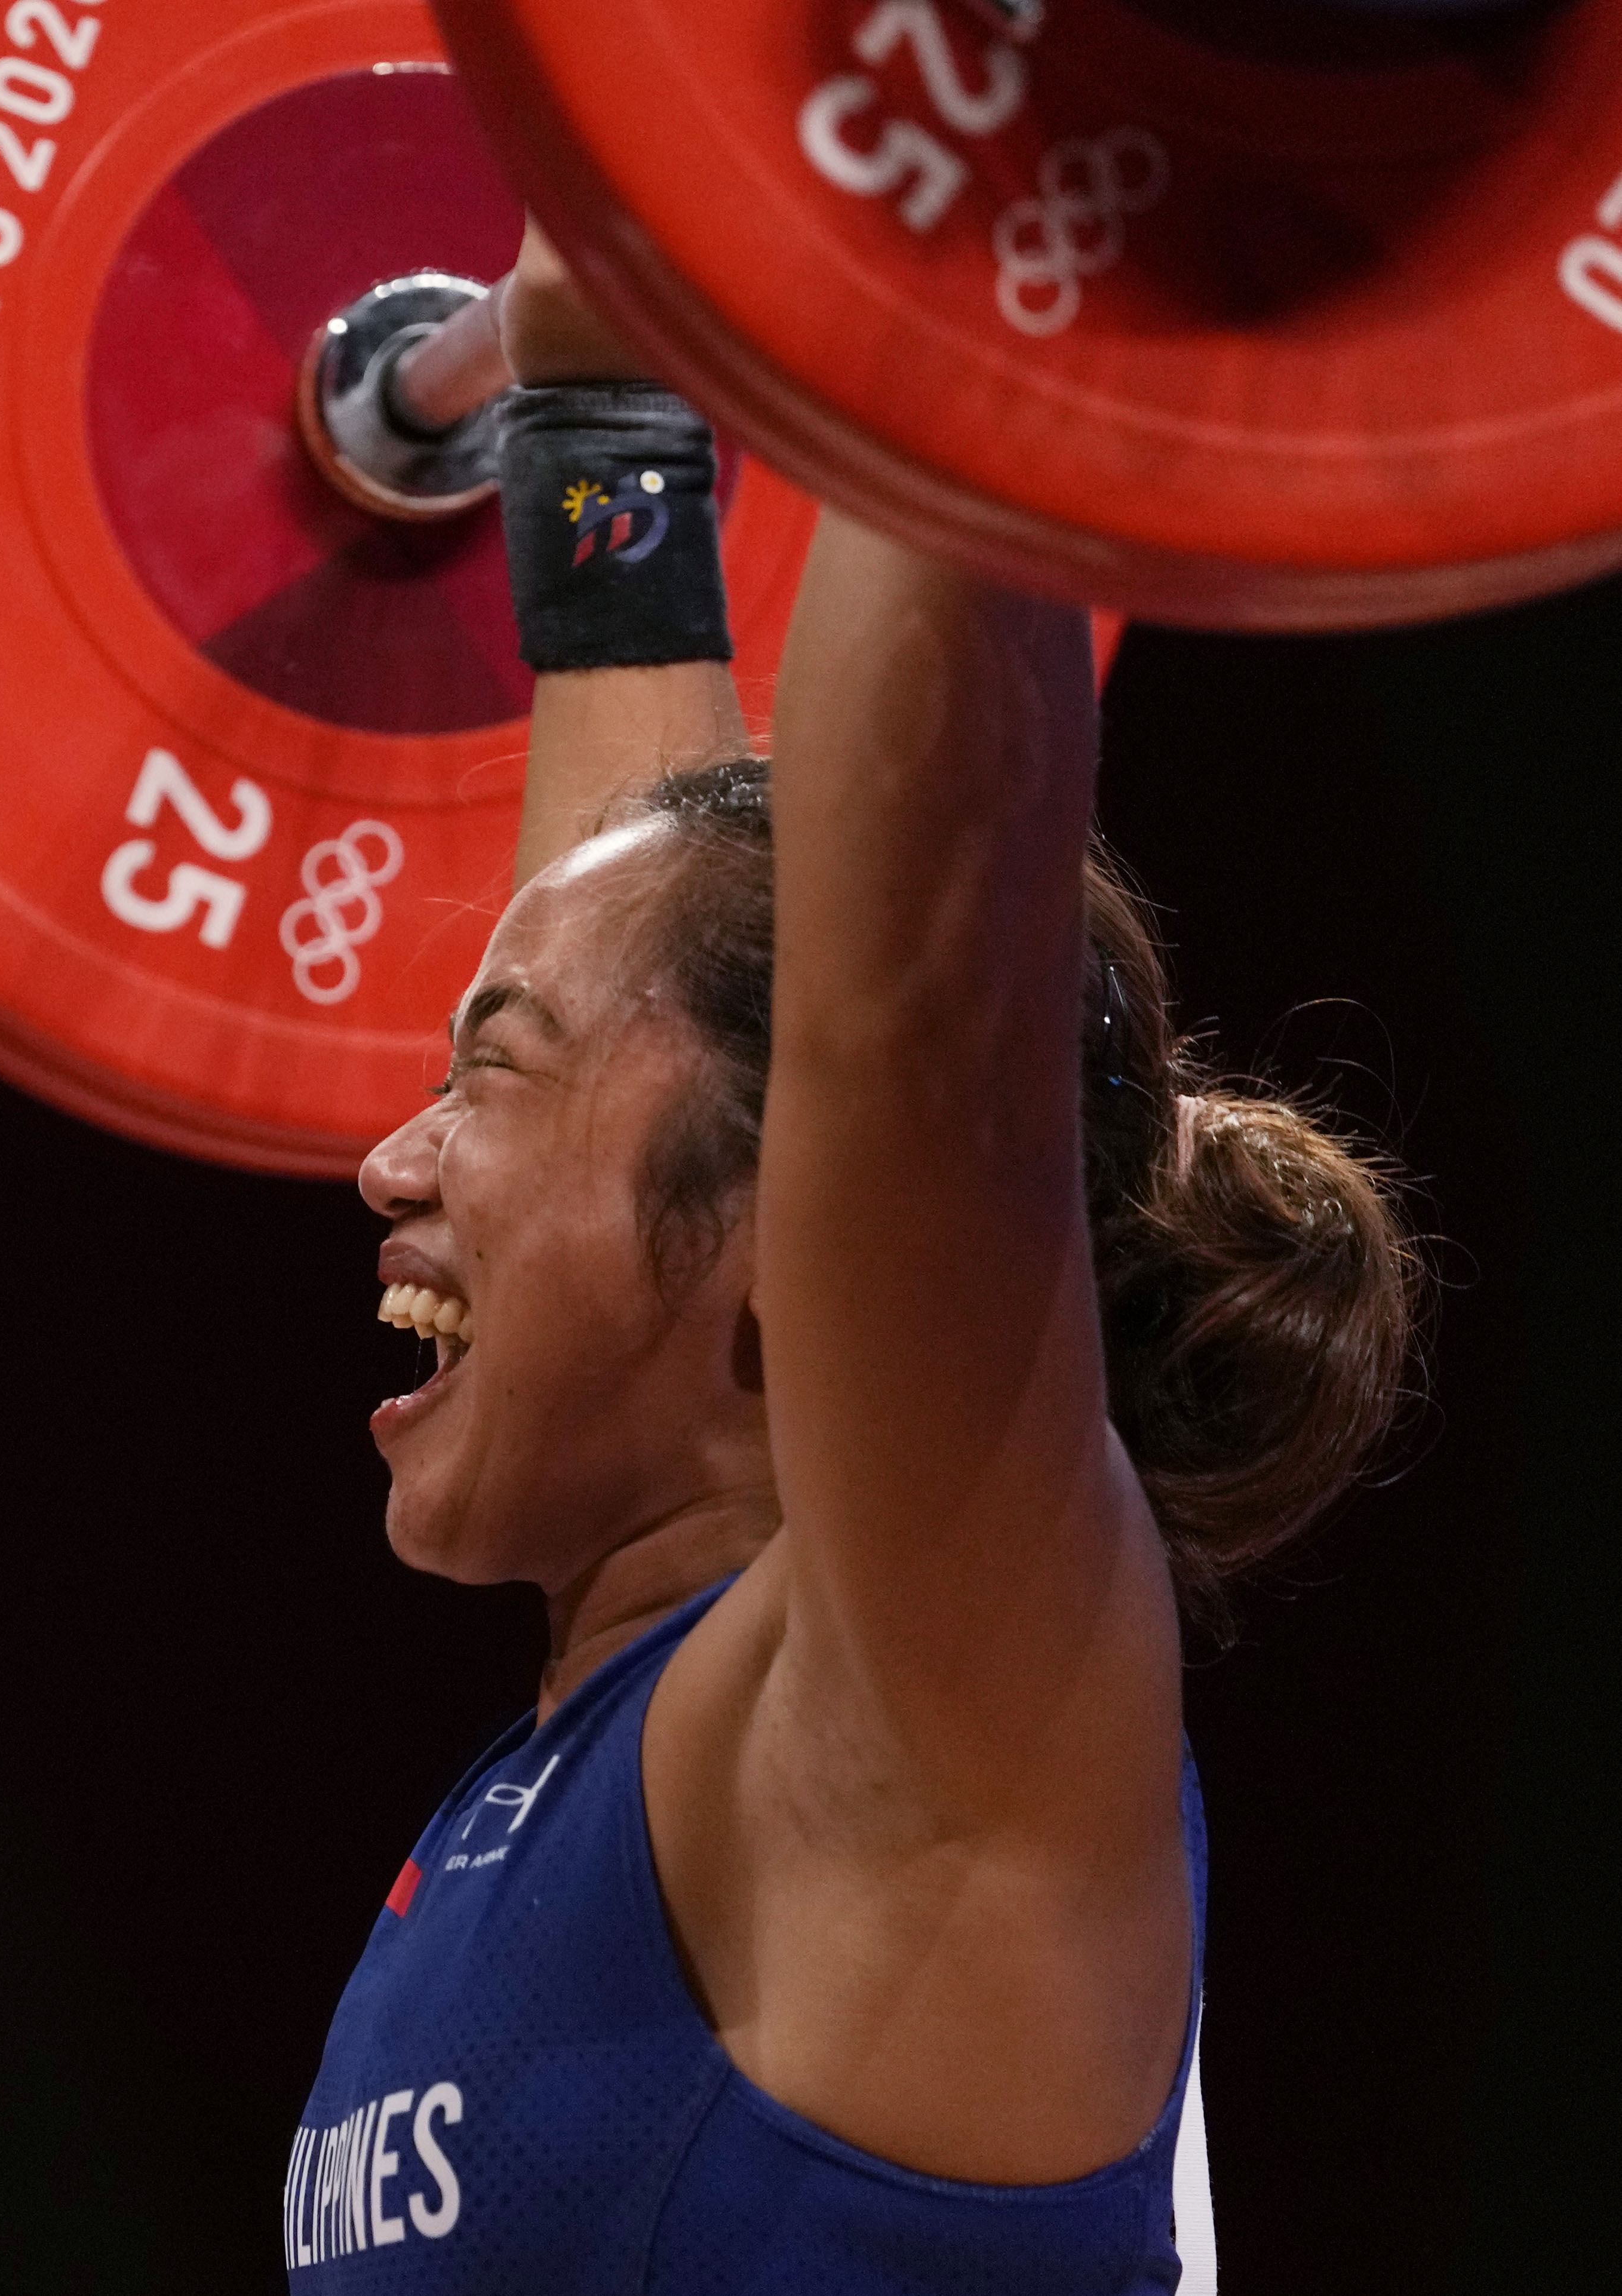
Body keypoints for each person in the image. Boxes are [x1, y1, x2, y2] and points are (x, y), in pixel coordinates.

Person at [284, 225, 1415, 2292]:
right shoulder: (640, 1743)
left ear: (797, 1229)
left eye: (485, 1078)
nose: (387, 1158)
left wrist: (996, 212)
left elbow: (886, 1006)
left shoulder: (931, 1708)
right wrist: (603, 424)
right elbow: (668, 951)